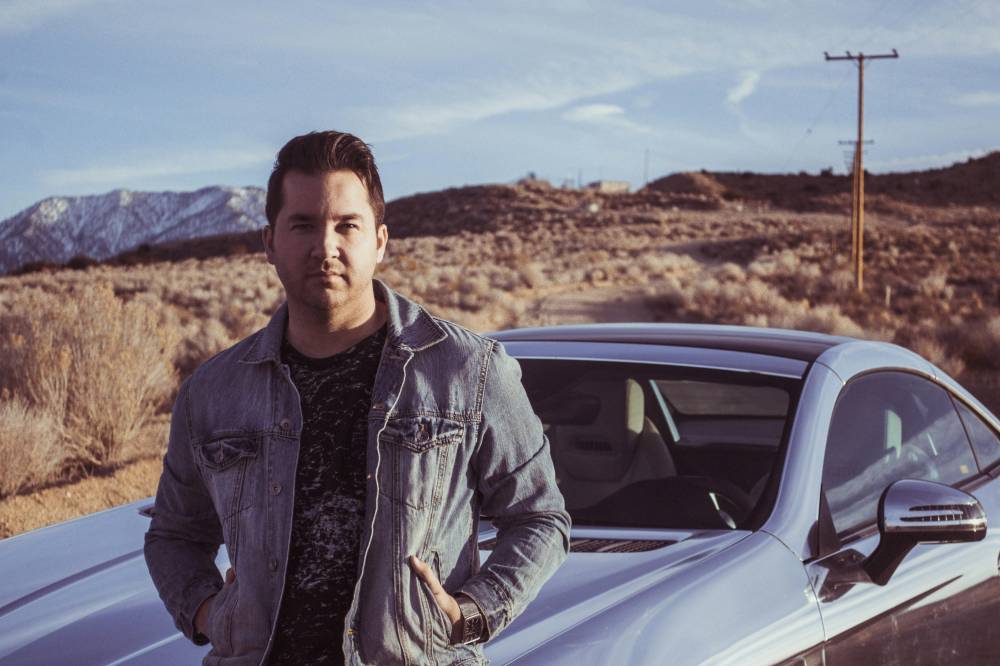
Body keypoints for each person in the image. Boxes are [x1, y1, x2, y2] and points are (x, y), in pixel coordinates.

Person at [143, 130, 570, 666]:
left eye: (347, 225)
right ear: (270, 243)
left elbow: (540, 518)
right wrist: (207, 611)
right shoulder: (213, 392)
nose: (325, 247)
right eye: (303, 225)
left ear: (380, 241)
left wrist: (472, 612)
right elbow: (174, 535)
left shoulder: (469, 371)